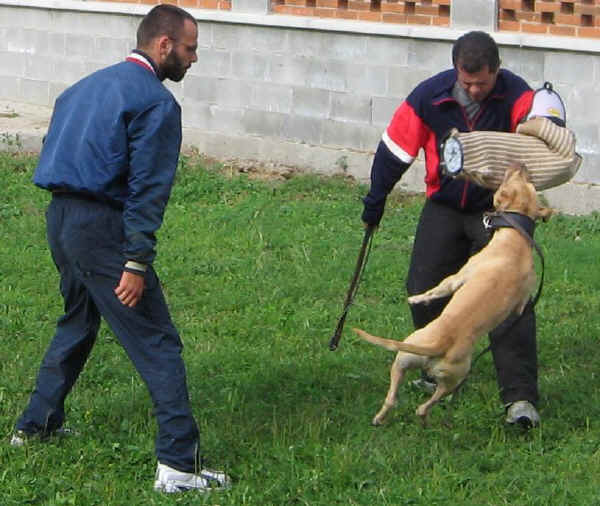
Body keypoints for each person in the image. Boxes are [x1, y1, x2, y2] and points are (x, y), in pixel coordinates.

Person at [11, 4, 231, 493]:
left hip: (60, 220)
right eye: (191, 49)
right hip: (102, 230)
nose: (194, 60)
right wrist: (135, 260)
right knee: (157, 340)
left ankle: (35, 425)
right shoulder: (156, 103)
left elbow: (57, 152)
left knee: (78, 320)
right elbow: (147, 189)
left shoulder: (81, 88)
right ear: (164, 45)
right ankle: (179, 465)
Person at [361, 31, 540, 428]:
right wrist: (377, 197)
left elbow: (537, 138)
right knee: (422, 287)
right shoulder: (430, 95)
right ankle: (435, 365)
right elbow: (395, 149)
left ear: (497, 70)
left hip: (497, 211)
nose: (473, 89)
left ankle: (520, 399)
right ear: (456, 69)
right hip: (443, 205)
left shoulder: (518, 97)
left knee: (510, 302)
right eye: (466, 80)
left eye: (482, 82)